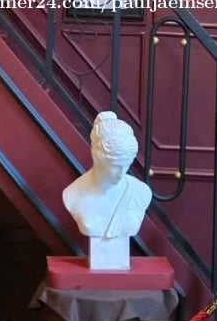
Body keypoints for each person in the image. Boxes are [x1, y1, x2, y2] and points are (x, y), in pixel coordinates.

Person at [62, 111, 152, 270]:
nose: (122, 173)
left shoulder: (140, 192)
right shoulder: (72, 194)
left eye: (127, 165)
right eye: (115, 166)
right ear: (96, 156)